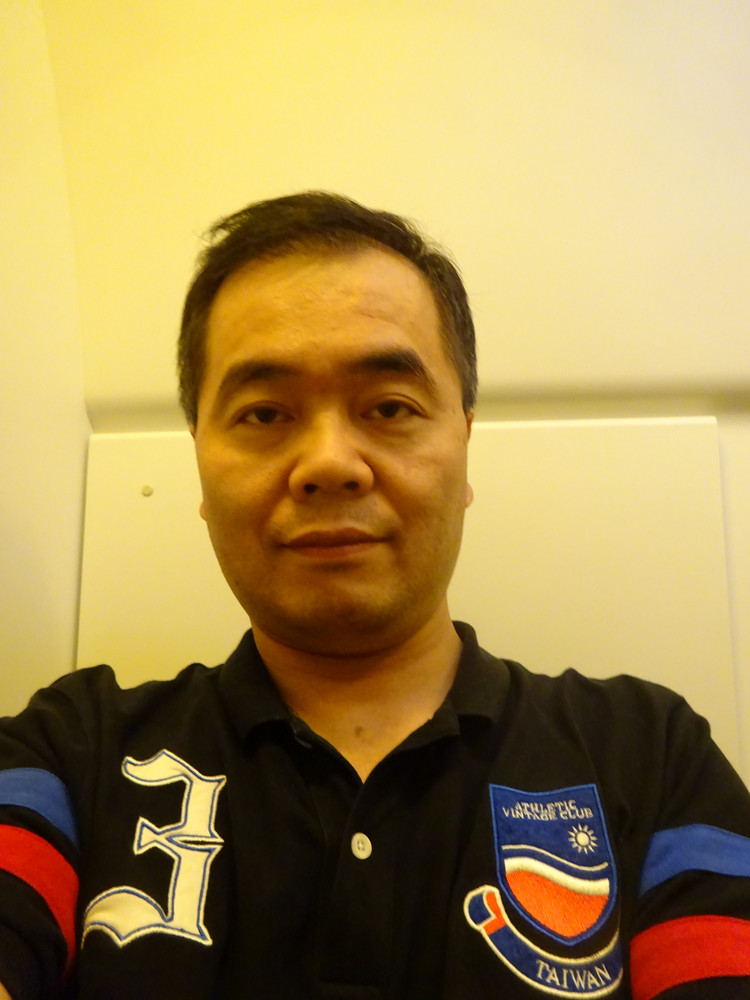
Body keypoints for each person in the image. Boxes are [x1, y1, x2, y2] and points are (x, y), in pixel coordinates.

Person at [1, 192, 749, 999]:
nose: (329, 463)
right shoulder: (69, 754)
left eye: (390, 408)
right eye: (264, 413)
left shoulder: (652, 759)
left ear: (464, 445)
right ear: (201, 467)